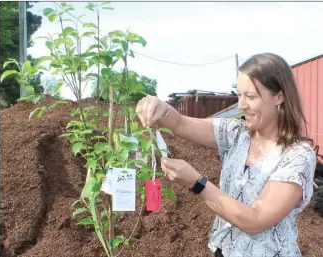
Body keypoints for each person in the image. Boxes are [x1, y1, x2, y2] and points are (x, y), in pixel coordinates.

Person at [135, 53, 317, 257]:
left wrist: (197, 183)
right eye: (239, 95)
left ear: (279, 97)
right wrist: (158, 106)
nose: (241, 105)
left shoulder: (297, 156)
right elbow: (179, 123)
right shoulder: (237, 133)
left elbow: (256, 220)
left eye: (250, 96)